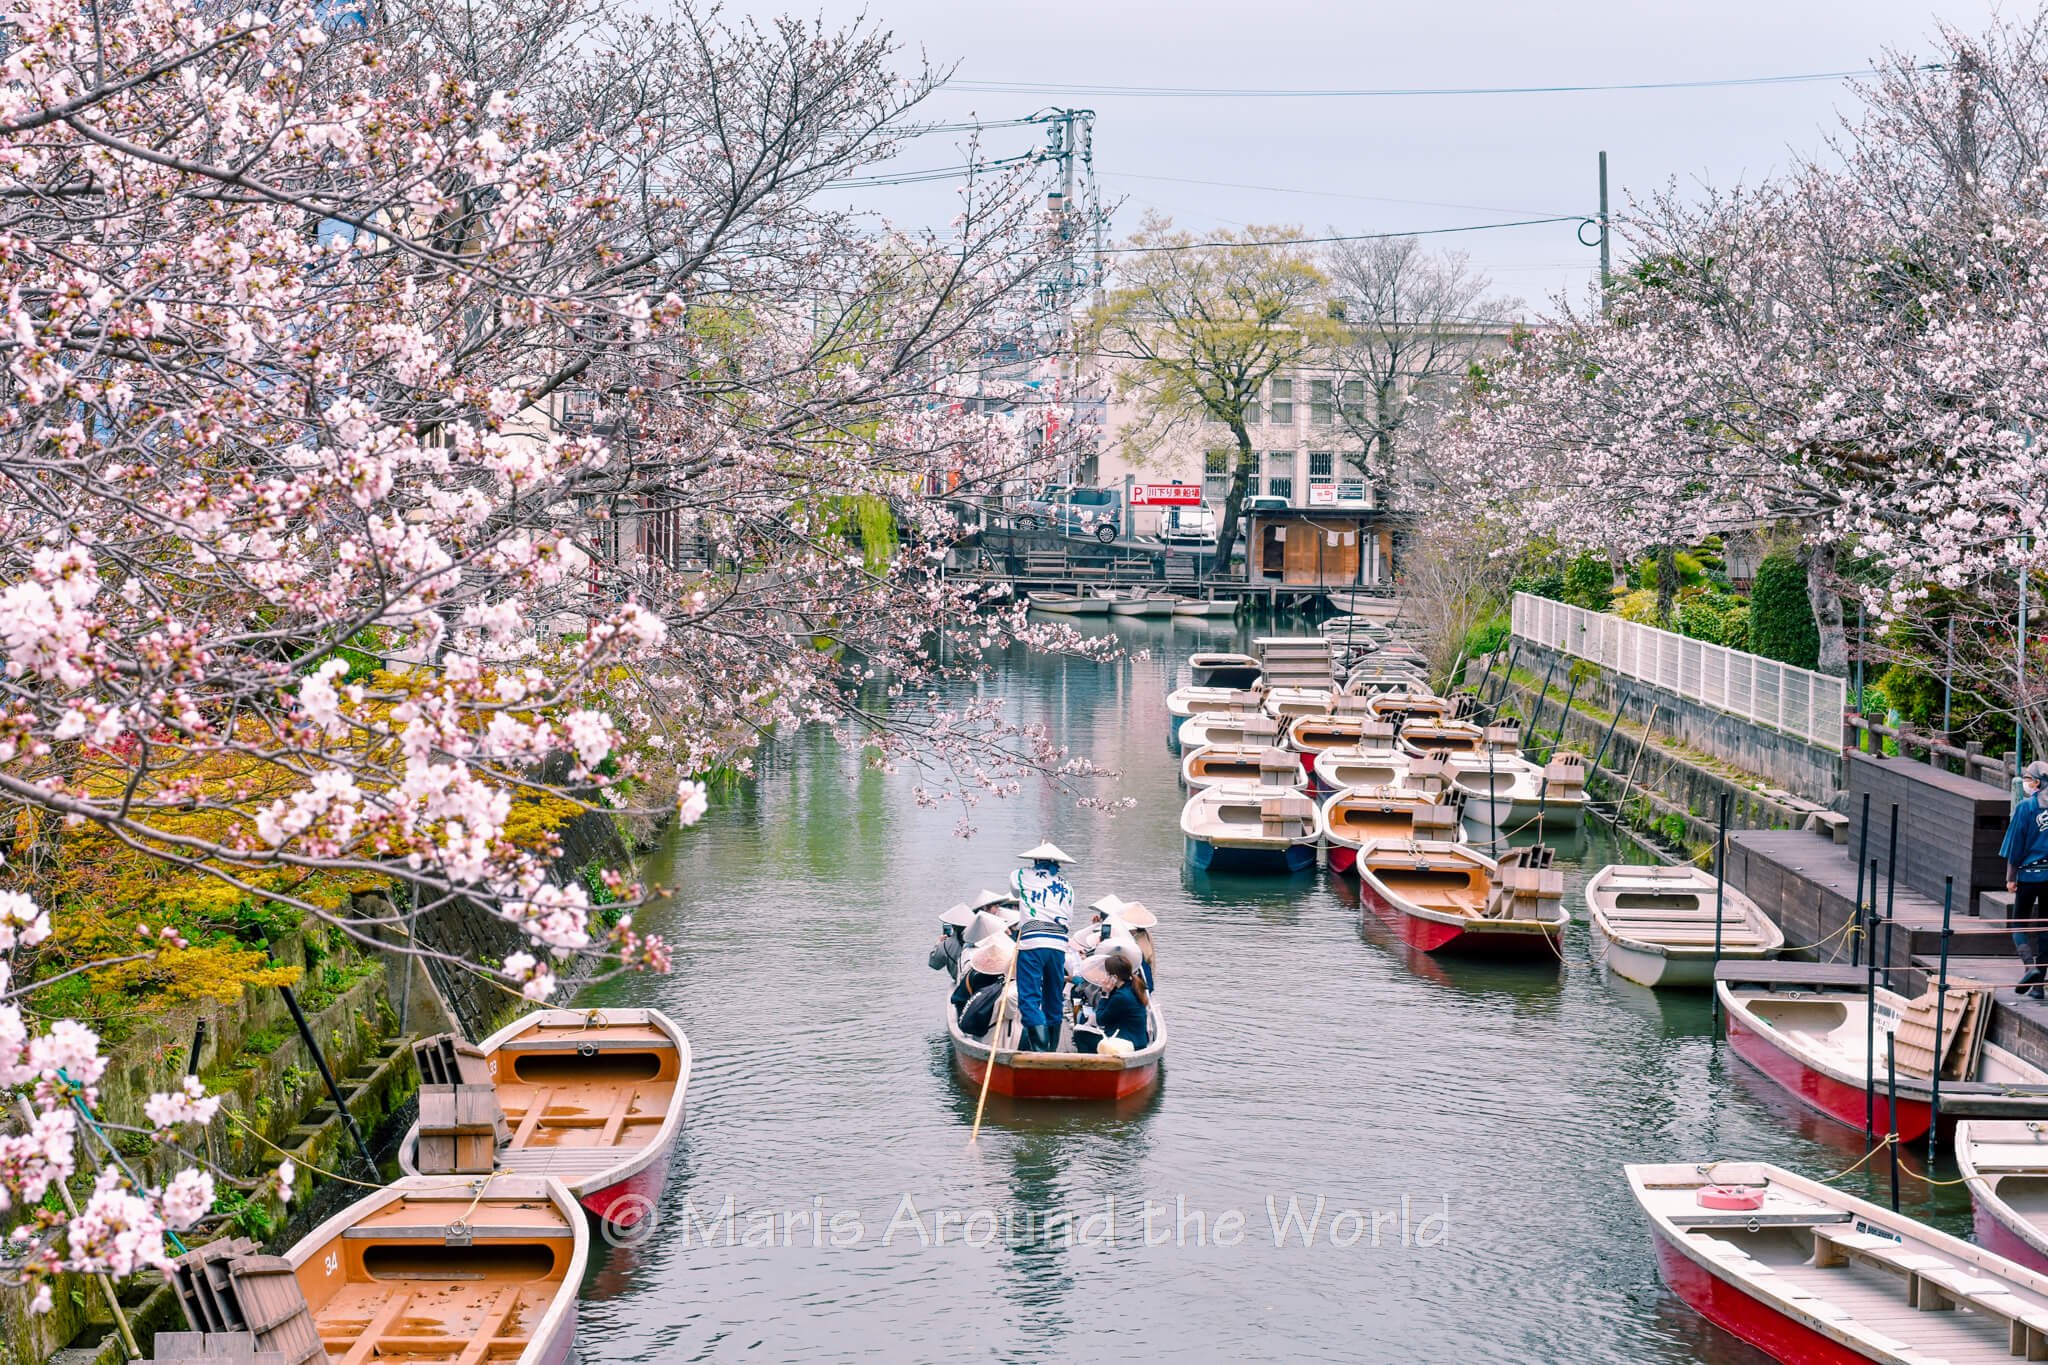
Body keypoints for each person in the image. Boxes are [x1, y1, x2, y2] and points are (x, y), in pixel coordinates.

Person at [1011, 841, 1076, 1052]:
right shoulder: (1067, 886)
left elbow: (1014, 892)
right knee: (1054, 994)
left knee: (1029, 994)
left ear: (1035, 860)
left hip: (1033, 942)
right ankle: (1052, 1049)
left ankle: (1039, 1050)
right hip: (1059, 945)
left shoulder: (1020, 874)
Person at [2004, 759, 2048, 998]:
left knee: (2018, 924)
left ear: (2038, 783)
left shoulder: (2026, 808)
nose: (2027, 784)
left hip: (2029, 876)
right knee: (2045, 929)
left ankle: (2030, 967)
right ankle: (2039, 985)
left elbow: (2015, 845)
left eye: (2029, 780)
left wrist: (2011, 877)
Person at [1092, 954, 1150, 1052]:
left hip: (1128, 1044)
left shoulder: (1121, 996)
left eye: (1106, 973)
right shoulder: (1132, 987)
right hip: (1138, 1039)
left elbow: (1101, 1020)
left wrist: (1104, 994)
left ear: (1114, 977)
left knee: (1083, 1035)